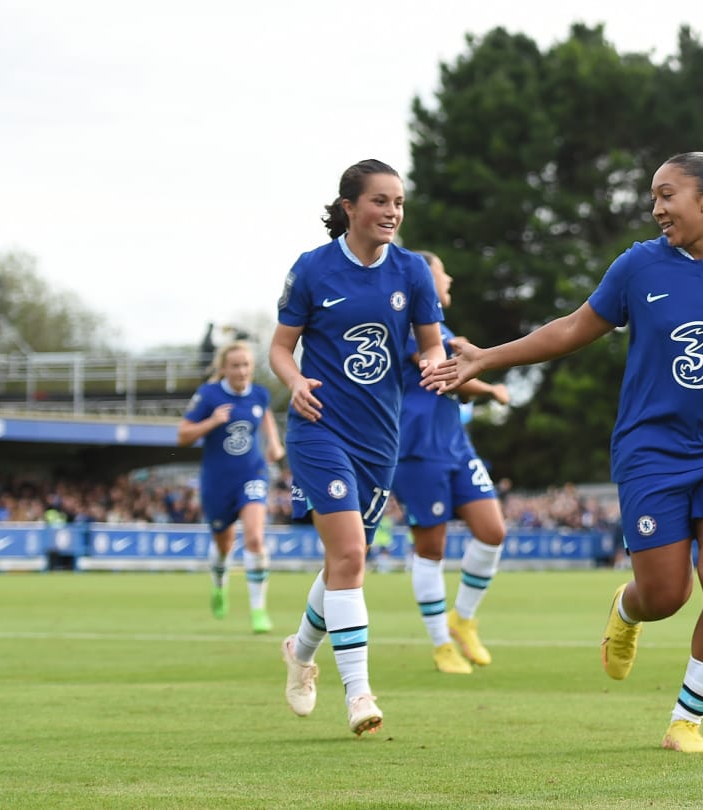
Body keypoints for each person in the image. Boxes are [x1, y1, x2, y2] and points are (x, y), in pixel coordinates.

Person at [424, 143, 703, 753]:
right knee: (667, 594)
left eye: (665, 195)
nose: (654, 208)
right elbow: (572, 328)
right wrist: (488, 356)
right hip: (650, 447)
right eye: (653, 196)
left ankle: (687, 720)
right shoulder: (638, 268)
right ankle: (627, 611)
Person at [271, 158, 444, 737]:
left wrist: (436, 367)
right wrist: (294, 383)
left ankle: (300, 650)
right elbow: (279, 348)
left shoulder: (413, 272)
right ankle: (359, 694)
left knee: (343, 560)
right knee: (349, 557)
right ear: (350, 207)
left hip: (380, 439)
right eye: (380, 201)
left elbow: (431, 348)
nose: (392, 212)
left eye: (398, 202)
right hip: (319, 429)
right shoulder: (313, 269)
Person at [394, 250, 512, 675]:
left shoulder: (443, 329)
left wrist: (475, 372)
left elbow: (454, 373)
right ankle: (441, 644)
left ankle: (462, 618)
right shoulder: (410, 324)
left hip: (455, 446)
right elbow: (439, 367)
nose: (451, 280)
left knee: (493, 531)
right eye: (444, 273)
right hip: (418, 448)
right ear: (426, 280)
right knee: (431, 549)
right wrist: (492, 388)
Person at [177, 341, 285, 632]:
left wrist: (273, 443)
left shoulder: (260, 394)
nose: (242, 371)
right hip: (216, 481)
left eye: (246, 365)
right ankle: (219, 582)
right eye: (236, 365)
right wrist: (211, 422)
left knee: (254, 538)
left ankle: (258, 610)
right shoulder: (209, 395)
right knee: (224, 544)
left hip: (252, 474)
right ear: (224, 368)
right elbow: (183, 435)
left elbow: (265, 416)